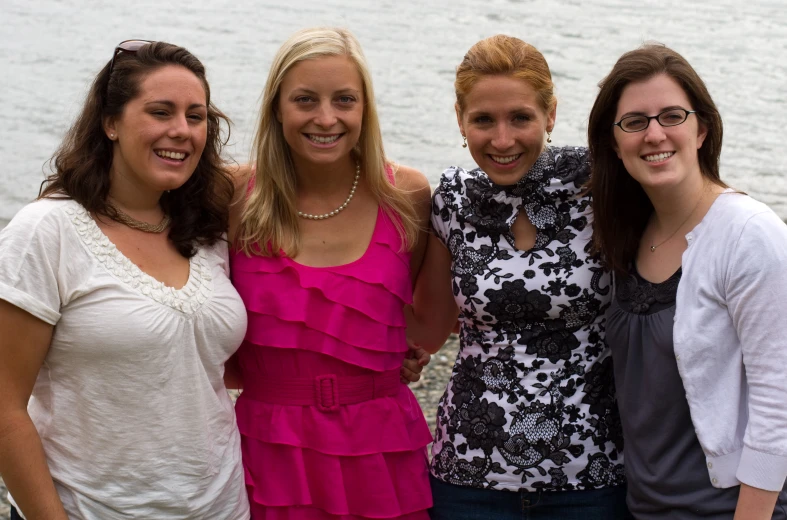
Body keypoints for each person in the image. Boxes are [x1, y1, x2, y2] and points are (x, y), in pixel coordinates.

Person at [0, 41, 251, 519]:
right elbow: (4, 409)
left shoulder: (209, 230)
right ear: (110, 122)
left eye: (195, 117)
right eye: (160, 111)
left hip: (223, 506)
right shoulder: (47, 232)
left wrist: (387, 353)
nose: (181, 131)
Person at [408, 35, 630, 518]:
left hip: (590, 472)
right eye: (483, 119)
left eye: (521, 118)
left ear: (550, 114)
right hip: (468, 471)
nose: (502, 140)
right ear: (460, 120)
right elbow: (425, 328)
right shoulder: (451, 198)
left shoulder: (604, 187)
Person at [228, 27, 434, 519]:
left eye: (344, 100)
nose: (326, 118)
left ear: (365, 108)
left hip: (382, 445)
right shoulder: (234, 195)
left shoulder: (407, 195)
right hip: (267, 445)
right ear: (277, 108)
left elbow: (404, 314)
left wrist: (402, 352)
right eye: (305, 100)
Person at [588, 43, 787, 518]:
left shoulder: (748, 234)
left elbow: (778, 400)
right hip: (642, 507)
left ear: (702, 129)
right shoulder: (626, 233)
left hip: (729, 509)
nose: (654, 134)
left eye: (672, 116)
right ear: (615, 144)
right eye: (635, 122)